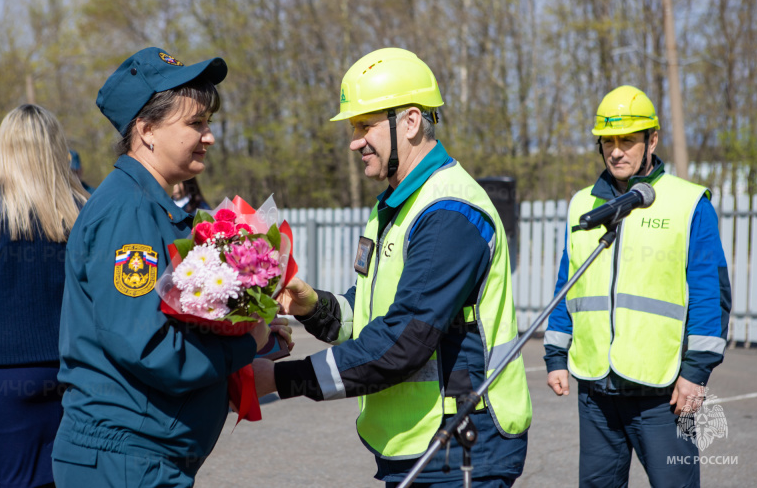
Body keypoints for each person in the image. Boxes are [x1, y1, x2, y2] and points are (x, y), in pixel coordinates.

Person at [255, 48, 532, 487]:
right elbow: (369, 313)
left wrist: (278, 378)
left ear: (410, 121)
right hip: (415, 443)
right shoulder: (394, 205)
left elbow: (402, 343)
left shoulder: (449, 213)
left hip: (459, 446)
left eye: (365, 126)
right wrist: (312, 306)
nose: (354, 141)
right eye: (353, 127)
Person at [52, 47, 291, 488]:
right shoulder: (128, 213)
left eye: (208, 123)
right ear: (146, 130)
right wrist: (246, 342)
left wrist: (245, 326)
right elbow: (150, 348)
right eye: (195, 123)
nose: (209, 136)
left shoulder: (151, 208)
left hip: (141, 458)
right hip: (125, 460)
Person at [543, 85, 731, 487]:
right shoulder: (583, 206)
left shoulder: (688, 204)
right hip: (596, 391)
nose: (616, 151)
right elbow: (569, 284)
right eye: (608, 141)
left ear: (652, 140)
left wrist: (696, 373)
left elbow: (709, 295)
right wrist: (556, 355)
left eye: (627, 140)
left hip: (663, 393)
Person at [0, 104, 89, 488]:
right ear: (57, 148)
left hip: (7, 373)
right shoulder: (84, 213)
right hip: (75, 367)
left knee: (18, 481)